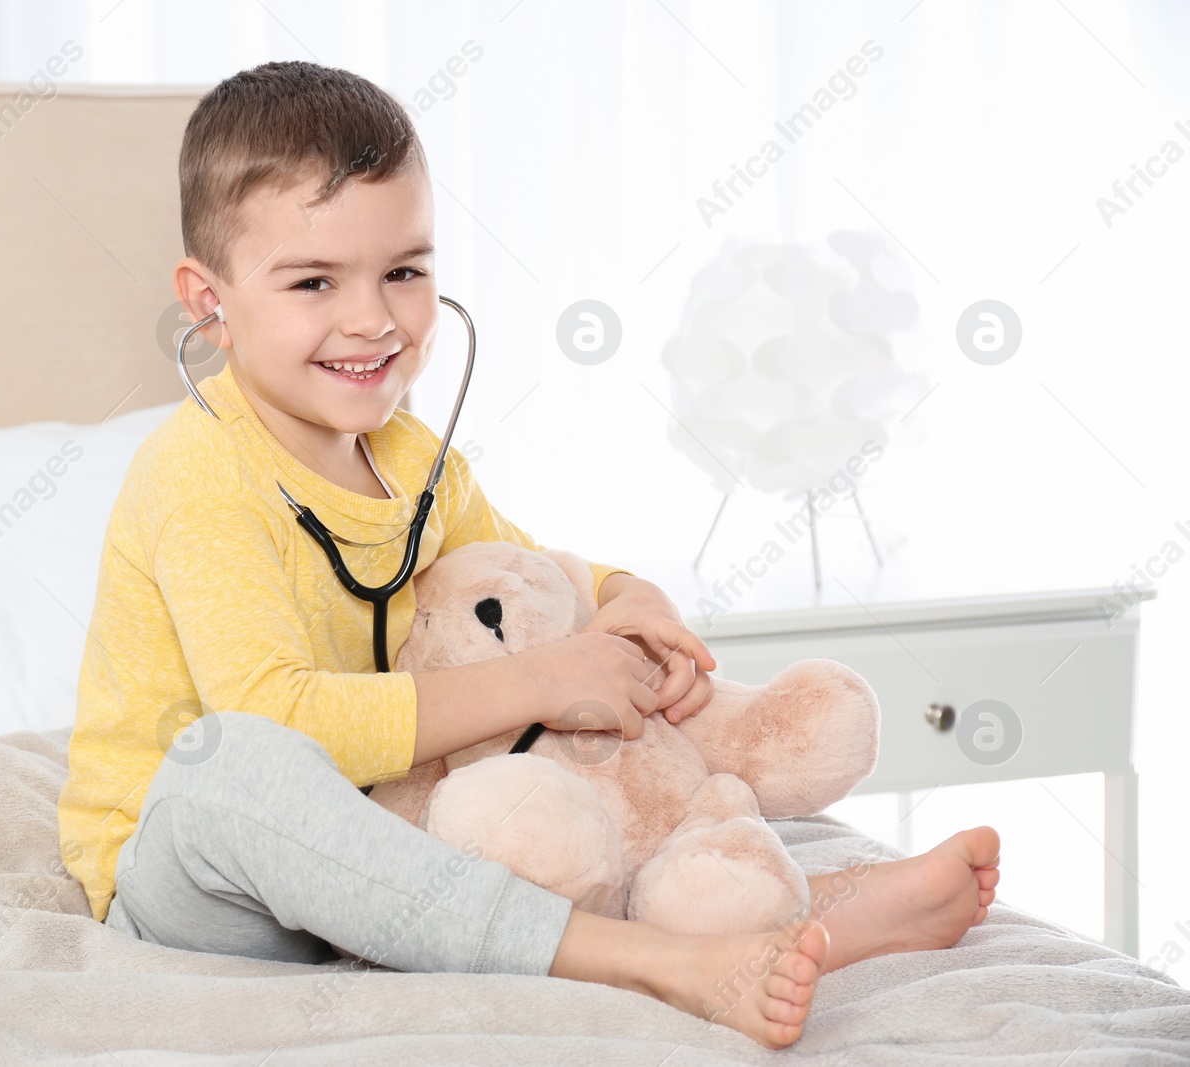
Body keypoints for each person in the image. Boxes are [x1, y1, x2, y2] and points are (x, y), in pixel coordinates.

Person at [57, 59, 1000, 1050]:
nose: (373, 318)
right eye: (312, 281)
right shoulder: (198, 473)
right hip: (201, 883)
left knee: (561, 699)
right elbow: (284, 717)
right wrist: (544, 676)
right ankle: (658, 961)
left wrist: (623, 598)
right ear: (207, 302)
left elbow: (520, 566)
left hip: (384, 837)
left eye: (405, 270)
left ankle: (789, 901)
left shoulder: (410, 455)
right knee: (237, 757)